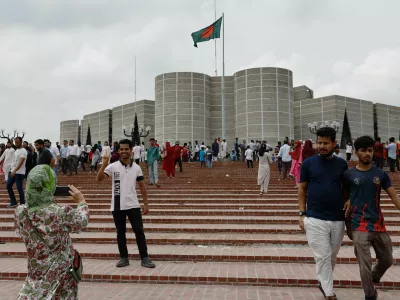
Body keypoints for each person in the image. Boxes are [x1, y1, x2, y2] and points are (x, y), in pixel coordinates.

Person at [15, 165, 88, 299]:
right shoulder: (60, 212)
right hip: (62, 273)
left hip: (36, 271)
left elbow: (23, 233)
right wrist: (81, 202)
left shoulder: (20, 212)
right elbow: (81, 223)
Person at [342, 136, 400, 300]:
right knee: (364, 264)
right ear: (356, 153)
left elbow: (394, 196)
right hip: (358, 224)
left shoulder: (380, 174)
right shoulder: (348, 174)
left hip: (378, 223)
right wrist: (348, 200)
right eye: (363, 151)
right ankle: (370, 294)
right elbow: (344, 196)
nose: (367, 154)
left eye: (370, 150)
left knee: (388, 259)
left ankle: (374, 276)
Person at [298, 127, 348, 300]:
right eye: (319, 142)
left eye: (326, 143)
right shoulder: (308, 163)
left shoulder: (342, 164)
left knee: (332, 256)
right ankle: (328, 292)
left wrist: (348, 203)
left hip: (337, 218)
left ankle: (323, 281)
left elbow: (345, 189)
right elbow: (302, 189)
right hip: (314, 217)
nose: (321, 146)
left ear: (334, 144)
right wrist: (302, 214)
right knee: (323, 255)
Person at [96, 139, 155, 269]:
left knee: (139, 231)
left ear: (131, 150)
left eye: (126, 149)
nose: (124, 151)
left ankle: (144, 257)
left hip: (133, 204)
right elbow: (99, 179)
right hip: (117, 205)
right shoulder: (112, 166)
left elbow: (142, 187)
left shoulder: (137, 168)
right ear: (118, 151)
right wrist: (104, 163)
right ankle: (124, 258)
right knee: (120, 232)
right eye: (121, 149)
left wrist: (146, 204)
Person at [7, 137, 27, 208]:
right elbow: (13, 161)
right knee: (8, 185)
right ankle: (13, 201)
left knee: (19, 188)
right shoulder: (16, 151)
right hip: (12, 171)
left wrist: (14, 171)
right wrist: (11, 170)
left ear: (21, 142)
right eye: (15, 142)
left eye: (17, 142)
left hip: (19, 173)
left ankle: (22, 204)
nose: (16, 143)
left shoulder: (23, 151)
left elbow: (21, 162)